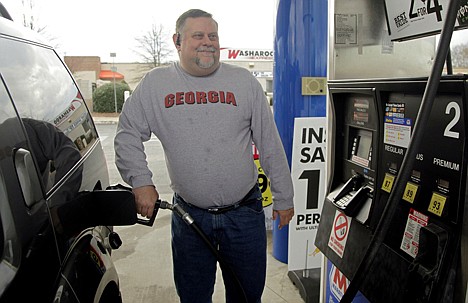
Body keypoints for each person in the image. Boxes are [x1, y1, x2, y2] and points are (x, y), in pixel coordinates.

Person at [114, 8, 294, 303]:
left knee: (248, 297)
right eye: (198, 35)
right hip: (189, 218)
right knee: (194, 297)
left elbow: (270, 143)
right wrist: (141, 181)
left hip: (245, 216)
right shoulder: (156, 85)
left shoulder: (244, 82)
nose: (207, 42)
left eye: (213, 35)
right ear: (177, 40)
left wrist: (284, 197)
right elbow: (127, 134)